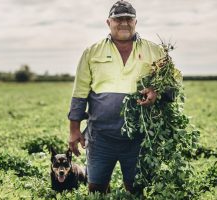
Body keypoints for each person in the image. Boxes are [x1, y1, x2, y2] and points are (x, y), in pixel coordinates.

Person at [68, 0, 166, 194]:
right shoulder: (92, 52)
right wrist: (74, 130)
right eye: (118, 19)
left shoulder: (154, 51)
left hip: (139, 137)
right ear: (108, 22)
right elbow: (80, 94)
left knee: (136, 189)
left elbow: (171, 85)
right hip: (101, 136)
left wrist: (157, 92)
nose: (124, 23)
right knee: (96, 189)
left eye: (128, 19)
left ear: (135, 22)